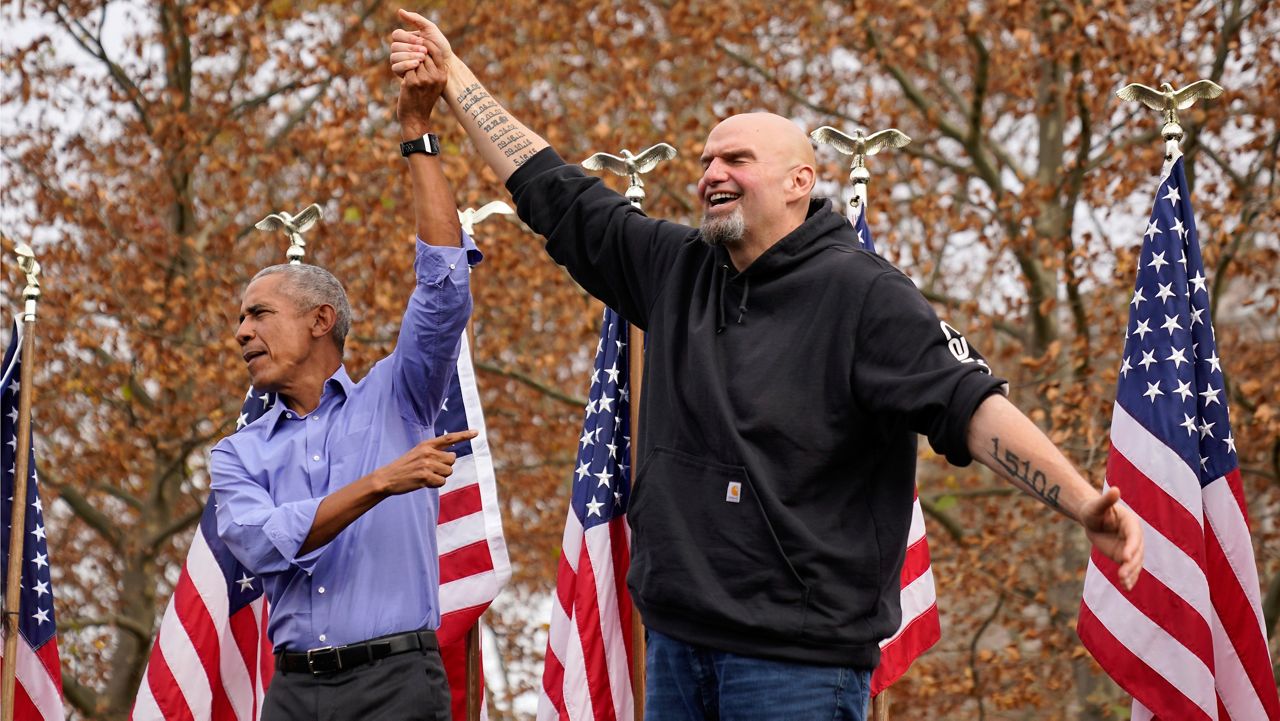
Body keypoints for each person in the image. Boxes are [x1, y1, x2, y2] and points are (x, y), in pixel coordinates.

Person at [388, 11, 1144, 720]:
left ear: (799, 181)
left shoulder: (865, 294)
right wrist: (454, 77)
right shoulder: (676, 267)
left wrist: (1080, 501)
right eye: (708, 158)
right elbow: (554, 191)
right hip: (677, 649)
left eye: (736, 159)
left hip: (798, 669)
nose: (712, 171)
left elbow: (971, 404)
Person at [210, 32, 478, 721]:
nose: (242, 332)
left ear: (321, 319)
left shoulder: (401, 396)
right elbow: (264, 542)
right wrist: (381, 481)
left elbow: (444, 286)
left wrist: (416, 133)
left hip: (398, 683)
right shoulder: (237, 453)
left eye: (259, 314)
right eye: (241, 319)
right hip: (294, 692)